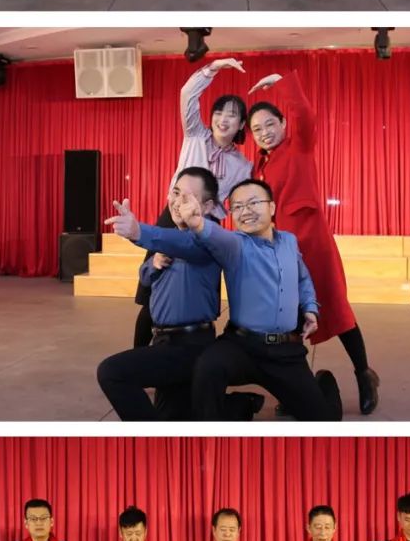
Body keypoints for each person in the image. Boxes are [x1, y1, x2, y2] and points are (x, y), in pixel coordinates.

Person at [247, 69, 379, 413]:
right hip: (280, 253)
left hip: (313, 245)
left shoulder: (299, 146)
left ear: (283, 124)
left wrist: (280, 82)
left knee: (336, 309)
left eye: (270, 124)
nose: (264, 132)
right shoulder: (258, 166)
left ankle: (364, 375)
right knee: (289, 321)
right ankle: (297, 391)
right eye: (257, 129)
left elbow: (305, 113)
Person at [162, 178, 342, 420]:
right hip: (241, 344)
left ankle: (322, 383)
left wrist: (310, 307)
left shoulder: (289, 241)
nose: (245, 211)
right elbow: (210, 234)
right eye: (237, 206)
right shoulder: (233, 243)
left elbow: (302, 277)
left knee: (324, 420)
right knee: (208, 367)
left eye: (253, 203)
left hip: (285, 352)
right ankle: (226, 418)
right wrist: (139, 231)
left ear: (272, 207)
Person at [131, 58, 252, 350]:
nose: (223, 119)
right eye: (219, 112)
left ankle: (197, 356)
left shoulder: (243, 165)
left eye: (232, 115)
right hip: (171, 220)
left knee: (200, 293)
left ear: (241, 125)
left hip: (206, 228)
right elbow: (187, 94)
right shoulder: (195, 135)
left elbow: (236, 204)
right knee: (153, 293)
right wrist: (214, 67)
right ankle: (140, 357)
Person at [98, 169, 225, 421]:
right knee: (174, 417)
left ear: (208, 206)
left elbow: (184, 244)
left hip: (190, 345)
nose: (177, 202)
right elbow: (145, 278)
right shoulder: (167, 239)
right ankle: (239, 406)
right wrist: (153, 264)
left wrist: (138, 231)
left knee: (112, 373)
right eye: (175, 193)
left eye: (187, 197)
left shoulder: (208, 239)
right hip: (163, 340)